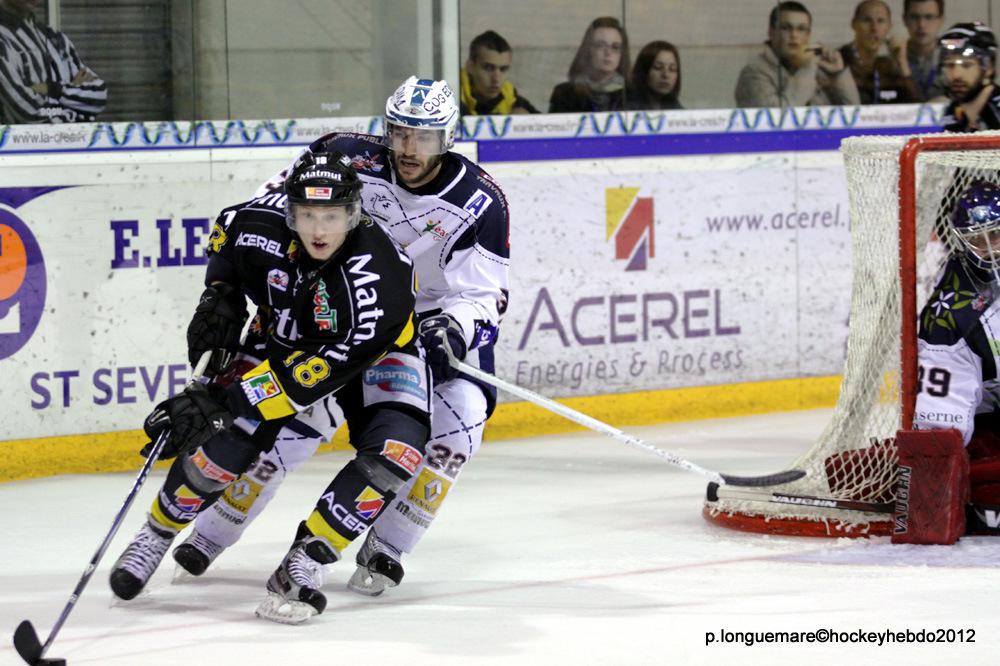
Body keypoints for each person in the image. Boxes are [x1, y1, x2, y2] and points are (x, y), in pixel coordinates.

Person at [174, 76, 510, 598]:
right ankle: (211, 534)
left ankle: (388, 544)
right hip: (335, 312)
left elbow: (485, 294)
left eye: (423, 137)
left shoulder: (480, 201)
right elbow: (265, 213)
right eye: (400, 133)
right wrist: (226, 288)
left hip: (425, 323)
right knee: (293, 419)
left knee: (459, 427)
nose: (409, 148)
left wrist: (456, 327)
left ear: (447, 138)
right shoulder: (342, 155)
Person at [108, 152, 433, 624]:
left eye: (331, 216)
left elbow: (301, 383)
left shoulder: (377, 280)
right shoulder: (256, 223)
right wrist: (220, 295)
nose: (319, 230)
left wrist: (221, 400)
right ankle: (157, 532)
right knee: (226, 442)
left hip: (371, 356)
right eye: (308, 215)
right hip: (280, 338)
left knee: (397, 450)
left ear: (352, 214)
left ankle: (307, 558)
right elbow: (226, 234)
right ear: (289, 212)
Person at [914, 180, 1000, 535]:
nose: (990, 248)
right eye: (978, 239)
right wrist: (933, 483)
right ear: (962, 241)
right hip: (988, 417)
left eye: (996, 234)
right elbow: (941, 425)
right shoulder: (950, 314)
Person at [734, 1, 859, 108]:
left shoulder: (817, 67)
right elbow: (778, 120)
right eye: (786, 28)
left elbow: (855, 115)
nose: (794, 35)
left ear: (808, 35)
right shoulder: (753, 73)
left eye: (801, 29)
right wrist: (808, 68)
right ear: (771, 32)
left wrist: (837, 75)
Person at [0, 0, 106, 123]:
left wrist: (52, 89)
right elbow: (29, 112)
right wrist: (75, 104)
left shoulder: (54, 37)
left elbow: (98, 95)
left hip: (71, 135)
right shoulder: (3, 40)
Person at [839, 0, 919, 104]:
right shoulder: (840, 60)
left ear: (889, 26)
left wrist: (902, 64)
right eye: (867, 20)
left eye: (880, 21)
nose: (874, 28)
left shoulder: (893, 63)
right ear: (854, 24)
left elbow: (917, 107)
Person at [549, 16, 630, 113]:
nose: (608, 52)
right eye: (600, 45)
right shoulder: (564, 93)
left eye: (615, 47)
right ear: (588, 50)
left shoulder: (632, 94)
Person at [938, 22, 1000, 132]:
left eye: (966, 65)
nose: (956, 75)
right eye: (950, 65)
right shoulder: (954, 109)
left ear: (988, 67)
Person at [460, 30, 538, 115]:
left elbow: (545, 120)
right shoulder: (452, 97)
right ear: (470, 67)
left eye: (503, 69)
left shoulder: (509, 96)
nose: (496, 79)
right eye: (488, 68)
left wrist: (527, 120)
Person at [903, 0, 946, 101]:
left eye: (929, 17)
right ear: (905, 20)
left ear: (941, 20)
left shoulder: (952, 58)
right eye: (914, 17)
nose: (921, 25)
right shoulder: (892, 59)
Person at [628, 41, 682, 110]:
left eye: (672, 69)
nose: (666, 75)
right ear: (643, 71)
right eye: (658, 67)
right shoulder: (623, 105)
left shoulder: (676, 108)